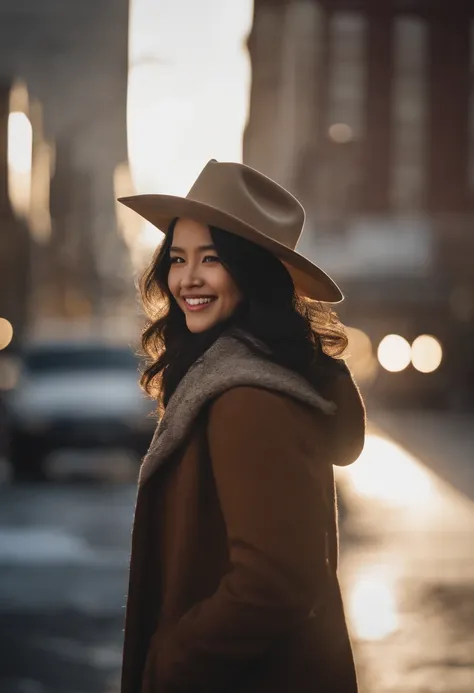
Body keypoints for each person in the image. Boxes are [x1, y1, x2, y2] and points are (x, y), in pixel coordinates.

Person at [118, 159, 366, 693]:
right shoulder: (234, 378)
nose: (188, 279)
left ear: (251, 272)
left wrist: (172, 662)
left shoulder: (247, 397)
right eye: (178, 259)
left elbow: (274, 583)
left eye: (212, 259)